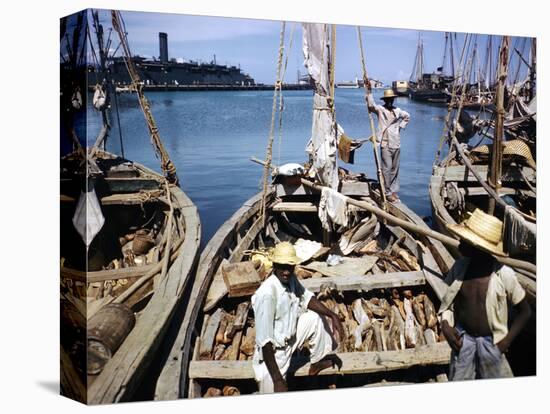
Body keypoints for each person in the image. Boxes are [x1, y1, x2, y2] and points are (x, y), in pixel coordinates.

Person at [438, 209, 531, 380]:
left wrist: (506, 342)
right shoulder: (459, 269)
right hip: (463, 340)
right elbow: (448, 304)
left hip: (492, 343)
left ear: (477, 247)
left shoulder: (504, 275)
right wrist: (445, 325)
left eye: (464, 241)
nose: (459, 243)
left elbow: (525, 312)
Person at [252, 242, 345, 393]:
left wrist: (331, 314)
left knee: (315, 318)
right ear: (274, 265)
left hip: (290, 338)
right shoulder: (267, 294)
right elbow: (265, 343)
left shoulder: (290, 278)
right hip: (275, 353)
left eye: (290, 267)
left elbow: (306, 297)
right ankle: (273, 379)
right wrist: (278, 380)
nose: (287, 271)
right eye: (282, 266)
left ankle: (316, 363)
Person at [366, 87, 410, 203]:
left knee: (395, 169)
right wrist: (369, 92)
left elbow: (407, 116)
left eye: (391, 99)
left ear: (393, 100)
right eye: (388, 100)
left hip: (396, 143)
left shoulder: (398, 111)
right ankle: (387, 192)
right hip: (385, 144)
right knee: (386, 168)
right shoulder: (381, 110)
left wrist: (400, 127)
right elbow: (371, 106)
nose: (390, 101)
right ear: (385, 100)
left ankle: (394, 190)